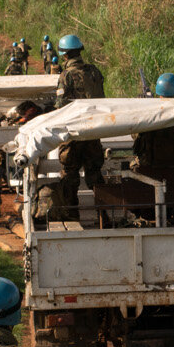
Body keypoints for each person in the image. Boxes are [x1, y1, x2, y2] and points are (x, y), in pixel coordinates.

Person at [53, 34, 107, 220]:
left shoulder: (66, 76)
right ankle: (104, 215)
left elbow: (60, 107)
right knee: (95, 175)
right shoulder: (94, 71)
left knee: (69, 175)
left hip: (75, 133)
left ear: (64, 55)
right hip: (94, 130)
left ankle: (71, 216)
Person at [131, 72, 174, 193]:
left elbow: (135, 135)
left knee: (132, 165)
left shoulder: (150, 112)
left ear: (158, 93)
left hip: (149, 163)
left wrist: (141, 107)